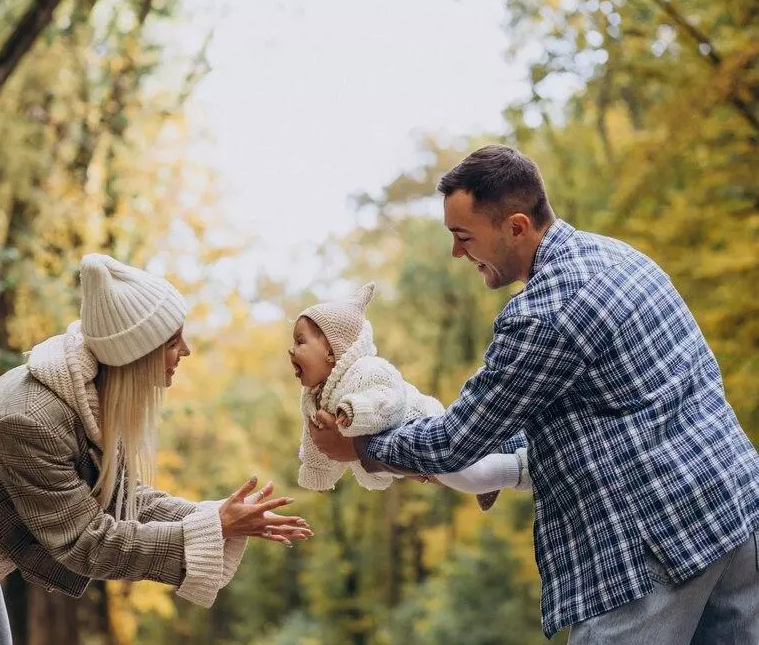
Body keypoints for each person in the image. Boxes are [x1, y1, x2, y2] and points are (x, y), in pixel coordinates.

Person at [309, 145, 759, 643]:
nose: (457, 253)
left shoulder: (545, 313)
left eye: (463, 237)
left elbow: (457, 439)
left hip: (659, 543)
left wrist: (361, 448)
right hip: (736, 514)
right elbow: (602, 412)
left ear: (516, 227)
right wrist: (501, 461)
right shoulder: (621, 258)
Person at [0, 254, 312, 645]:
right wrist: (209, 528)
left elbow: (127, 504)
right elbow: (83, 541)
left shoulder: (92, 399)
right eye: (173, 342)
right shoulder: (31, 418)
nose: (186, 351)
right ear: (137, 352)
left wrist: (218, 519)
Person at [291, 281, 529, 509]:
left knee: (467, 476)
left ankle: (522, 468)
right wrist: (318, 475)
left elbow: (388, 396)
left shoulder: (367, 369)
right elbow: (315, 441)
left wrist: (354, 410)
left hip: (421, 426)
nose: (291, 349)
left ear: (331, 352)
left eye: (300, 342)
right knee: (455, 476)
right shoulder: (313, 399)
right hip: (397, 450)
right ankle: (497, 457)